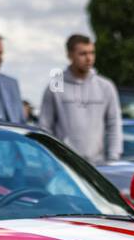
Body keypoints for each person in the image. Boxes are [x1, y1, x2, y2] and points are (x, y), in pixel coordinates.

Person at [39, 34, 122, 165]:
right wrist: (52, 160)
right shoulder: (56, 85)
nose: (89, 58)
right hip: (65, 166)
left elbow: (114, 124)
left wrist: (113, 159)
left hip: (98, 166)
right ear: (70, 55)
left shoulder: (106, 86)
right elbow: (45, 127)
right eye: (83, 54)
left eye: (92, 53)